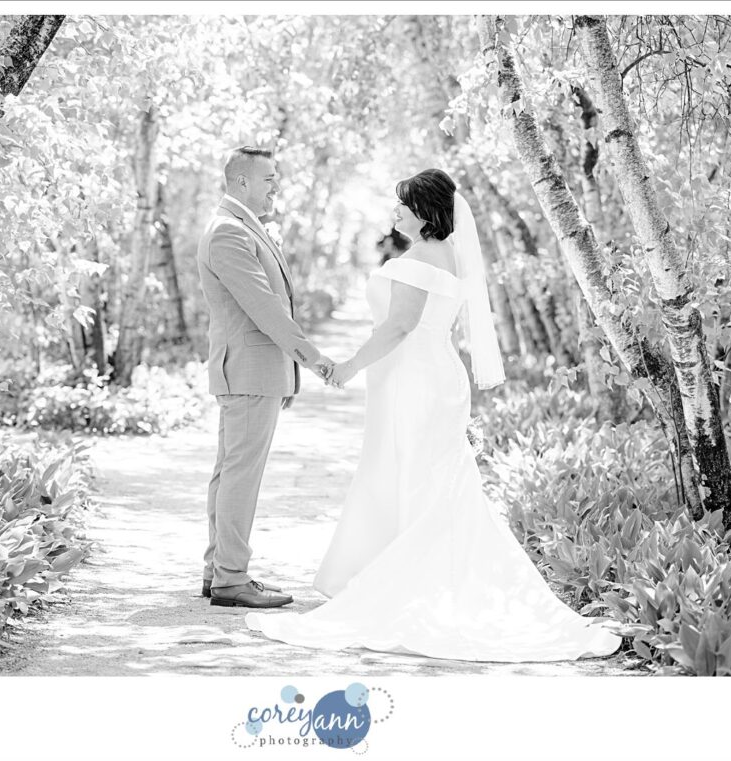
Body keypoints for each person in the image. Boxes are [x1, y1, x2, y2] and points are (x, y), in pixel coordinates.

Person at [245, 168, 623, 661]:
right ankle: (420, 574)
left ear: (425, 212)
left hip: (413, 380)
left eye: (402, 205)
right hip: (431, 373)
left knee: (414, 474)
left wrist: (349, 367)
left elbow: (399, 326)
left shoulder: (421, 259)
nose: (395, 212)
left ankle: (409, 585)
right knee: (430, 477)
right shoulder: (450, 256)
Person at [196, 146, 335, 609]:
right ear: (241, 182)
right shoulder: (228, 232)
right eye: (269, 178)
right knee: (239, 476)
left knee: (230, 473)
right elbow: (265, 307)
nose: (277, 186)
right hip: (248, 372)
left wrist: (289, 369)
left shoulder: (243, 227)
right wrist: (313, 359)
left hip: (255, 372)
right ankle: (231, 579)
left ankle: (219, 569)